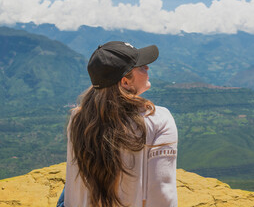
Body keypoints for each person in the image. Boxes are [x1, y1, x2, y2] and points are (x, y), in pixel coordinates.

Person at [57, 41, 178, 207]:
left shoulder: (78, 117)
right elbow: (162, 193)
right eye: (141, 66)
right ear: (125, 82)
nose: (148, 68)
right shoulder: (160, 119)